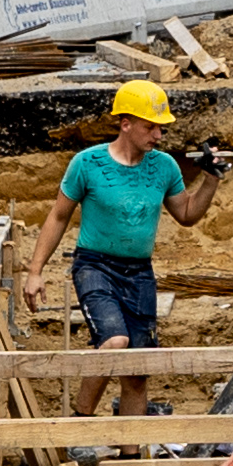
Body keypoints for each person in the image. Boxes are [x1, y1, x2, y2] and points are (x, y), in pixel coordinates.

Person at [59, 83, 186, 372]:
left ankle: (132, 420)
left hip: (140, 271)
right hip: (95, 266)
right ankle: (83, 417)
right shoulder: (87, 163)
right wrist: (35, 272)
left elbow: (187, 214)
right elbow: (57, 216)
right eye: (150, 127)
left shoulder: (164, 166)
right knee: (115, 341)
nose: (158, 135)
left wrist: (211, 178)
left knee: (138, 370)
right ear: (126, 124)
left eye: (161, 128)